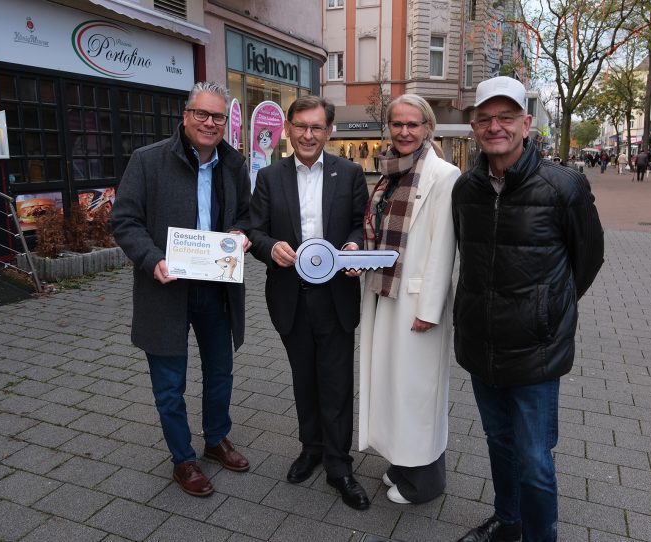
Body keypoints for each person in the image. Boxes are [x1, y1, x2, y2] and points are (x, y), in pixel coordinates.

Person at [452, 76, 604, 542]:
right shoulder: (465, 189)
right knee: (499, 446)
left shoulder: (564, 186)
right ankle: (508, 522)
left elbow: (589, 258)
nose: (495, 126)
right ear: (475, 126)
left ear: (526, 123)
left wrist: (547, 309)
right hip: (481, 346)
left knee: (535, 459)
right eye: (485, 118)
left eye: (506, 117)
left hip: (537, 350)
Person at [111, 81, 252, 498]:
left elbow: (245, 213)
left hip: (216, 287)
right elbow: (124, 220)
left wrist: (241, 234)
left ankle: (216, 437)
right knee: (169, 385)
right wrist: (152, 258)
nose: (210, 123)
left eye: (218, 117)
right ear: (185, 115)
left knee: (220, 371)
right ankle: (183, 459)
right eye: (201, 114)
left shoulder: (233, 164)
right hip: (165, 289)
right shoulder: (148, 160)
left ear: (226, 122)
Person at [247, 96, 371, 510]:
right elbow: (254, 231)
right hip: (291, 296)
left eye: (317, 127)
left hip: (335, 294)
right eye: (300, 126)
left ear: (329, 131)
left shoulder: (350, 172)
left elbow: (359, 222)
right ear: (287, 128)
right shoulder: (269, 177)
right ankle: (311, 448)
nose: (308, 134)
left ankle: (339, 464)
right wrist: (270, 248)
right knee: (304, 380)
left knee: (336, 383)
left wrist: (354, 245)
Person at [358, 94, 461, 505]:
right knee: (393, 384)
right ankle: (402, 463)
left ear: (428, 128)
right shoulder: (389, 172)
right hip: (385, 292)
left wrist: (430, 309)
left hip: (416, 300)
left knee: (418, 392)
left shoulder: (444, 174)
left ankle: (425, 483)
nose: (403, 131)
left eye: (412, 125)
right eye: (397, 124)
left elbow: (444, 247)